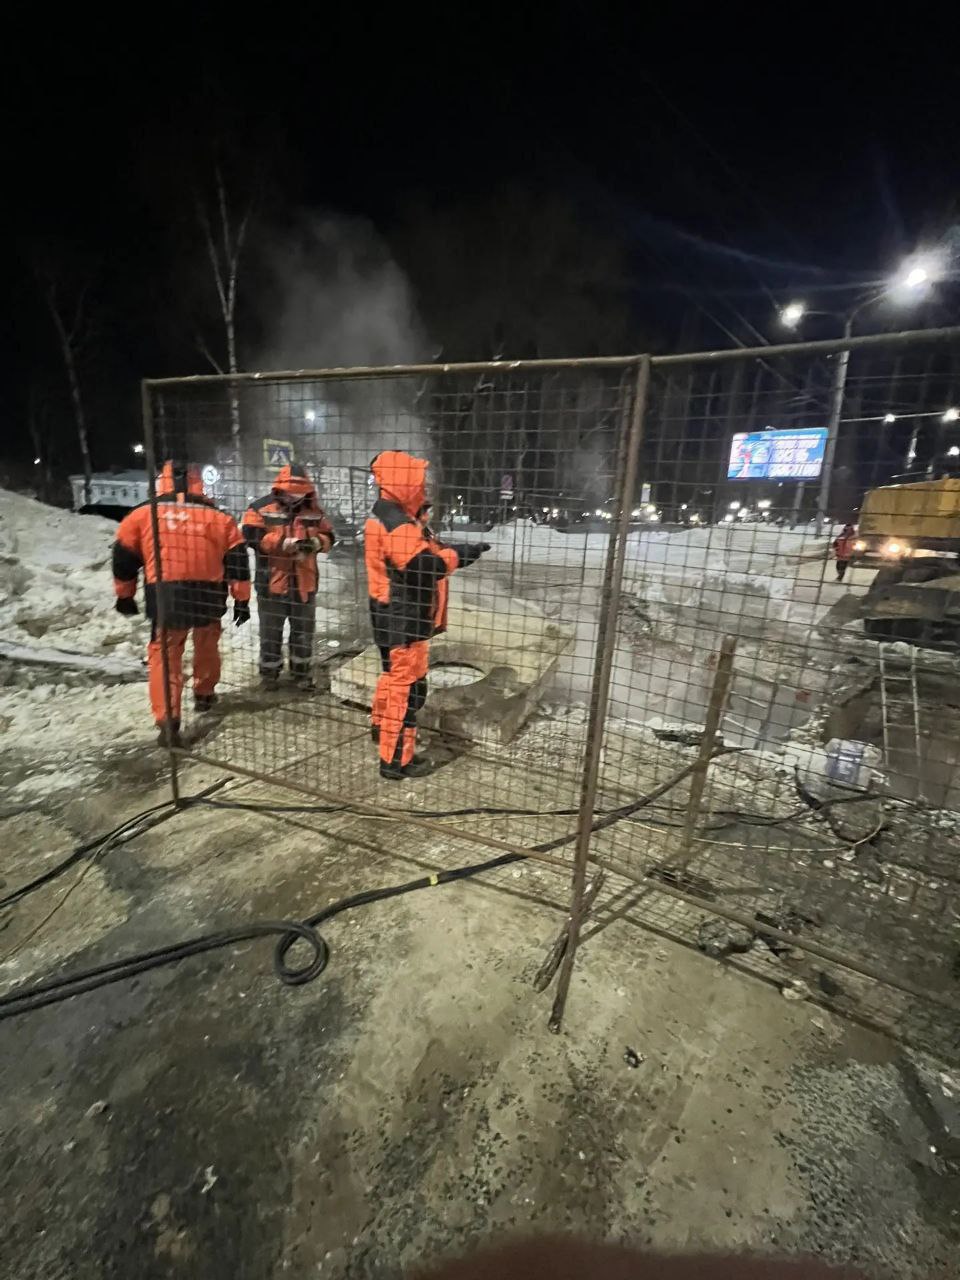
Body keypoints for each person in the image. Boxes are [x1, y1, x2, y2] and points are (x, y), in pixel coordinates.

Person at [365, 450, 489, 780]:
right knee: (407, 690)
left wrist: (455, 552)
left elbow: (424, 552)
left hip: (392, 613)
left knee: (394, 679)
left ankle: (381, 729)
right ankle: (395, 759)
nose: (426, 487)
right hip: (406, 618)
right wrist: (457, 556)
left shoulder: (391, 517)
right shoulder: (397, 525)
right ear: (402, 482)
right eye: (420, 482)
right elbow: (424, 566)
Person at [111, 461, 251, 747]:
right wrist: (242, 600)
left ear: (161, 481)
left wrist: (124, 595)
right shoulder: (220, 518)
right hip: (209, 594)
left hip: (166, 595)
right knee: (207, 645)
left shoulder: (142, 515)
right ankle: (204, 694)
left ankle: (168, 722)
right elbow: (237, 563)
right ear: (199, 482)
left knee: (165, 655)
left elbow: (123, 558)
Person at [242, 464, 335, 690]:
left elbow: (330, 535)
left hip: (305, 582)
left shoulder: (314, 510)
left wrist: (315, 543)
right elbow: (251, 534)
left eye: (300, 491)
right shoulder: (261, 508)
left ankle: (301, 673)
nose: (295, 496)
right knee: (270, 633)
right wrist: (281, 544)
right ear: (280, 488)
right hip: (272, 582)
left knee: (303, 632)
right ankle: (269, 676)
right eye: (291, 491)